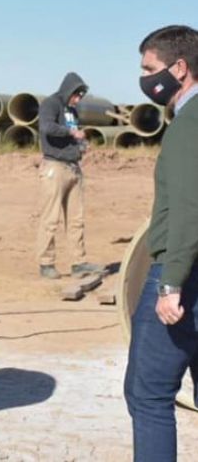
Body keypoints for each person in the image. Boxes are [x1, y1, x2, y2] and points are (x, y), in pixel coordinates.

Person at [124, 25, 198, 462]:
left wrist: (170, 282)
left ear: (180, 68)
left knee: (148, 394)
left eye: (149, 69)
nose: (145, 78)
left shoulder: (189, 124)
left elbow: (189, 207)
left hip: (182, 275)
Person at [35, 72, 102, 279]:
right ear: (68, 90)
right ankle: (46, 263)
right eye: (76, 95)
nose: (78, 99)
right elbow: (46, 127)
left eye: (81, 96)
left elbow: (74, 131)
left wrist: (81, 145)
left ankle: (78, 262)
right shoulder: (51, 104)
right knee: (50, 219)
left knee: (76, 220)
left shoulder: (71, 111)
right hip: (55, 167)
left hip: (73, 167)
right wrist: (71, 133)